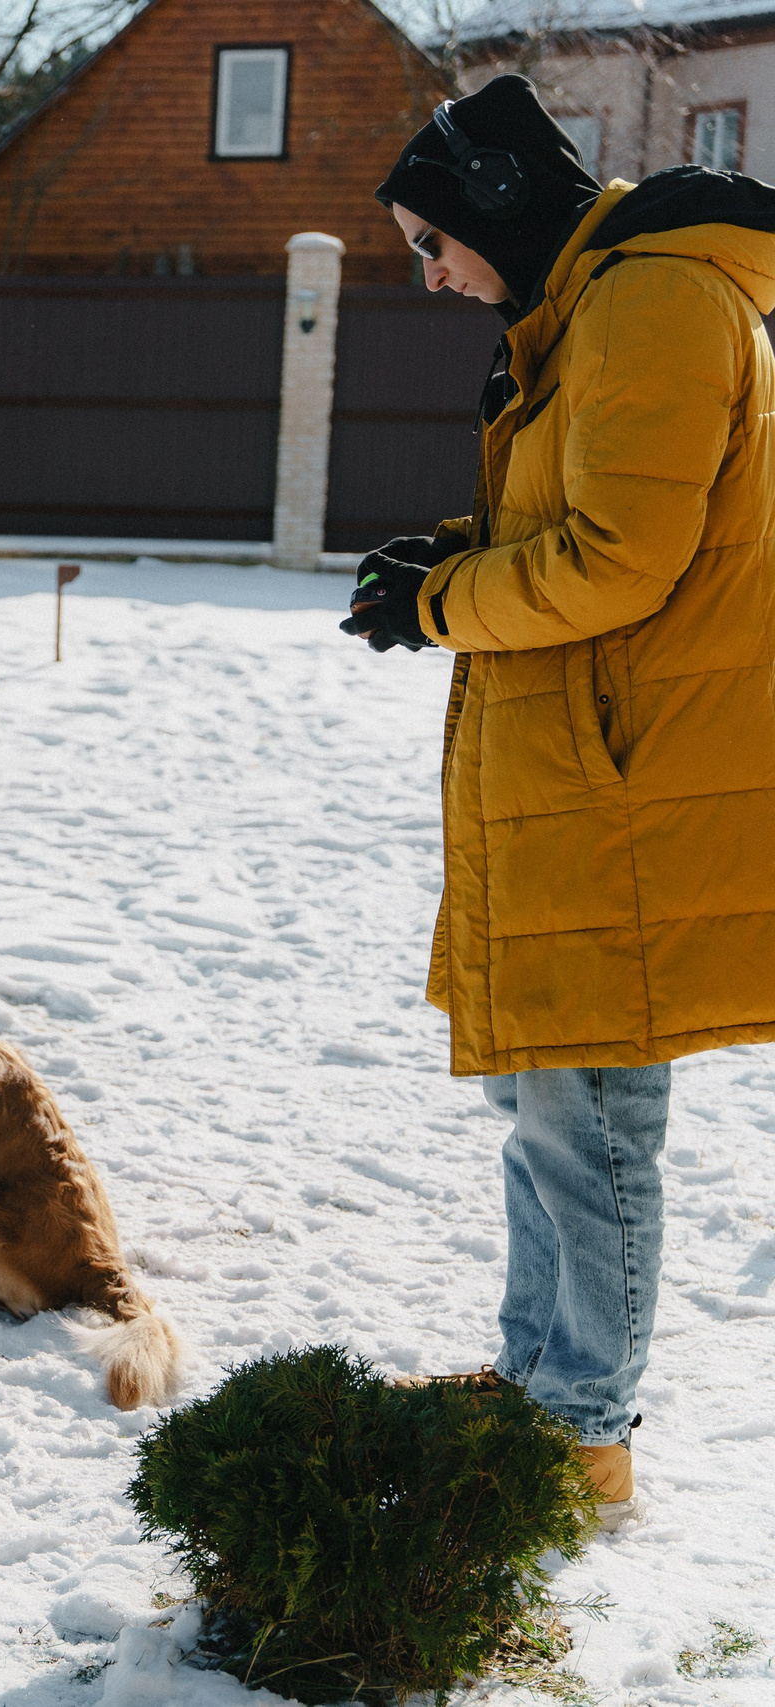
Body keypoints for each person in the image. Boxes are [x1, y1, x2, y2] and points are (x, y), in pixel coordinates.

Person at [349, 75, 775, 1526]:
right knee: (547, 1118)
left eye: (432, 241)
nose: (430, 274)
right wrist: (448, 558)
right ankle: (536, 1378)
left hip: (624, 795)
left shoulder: (653, 302)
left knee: (588, 1130)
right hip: (582, 779)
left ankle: (581, 1438)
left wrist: (441, 604)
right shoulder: (593, 308)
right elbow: (591, 521)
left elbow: (618, 563)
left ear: (501, 204)